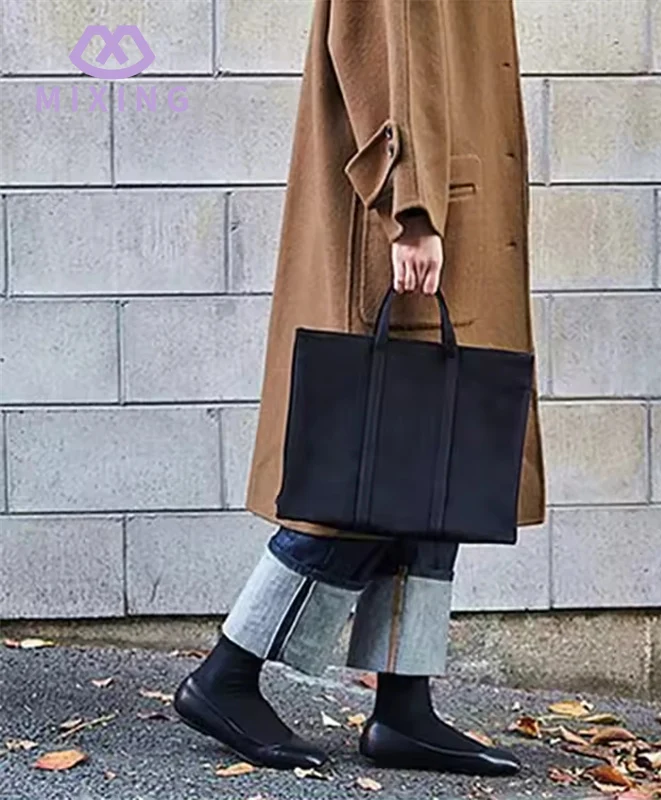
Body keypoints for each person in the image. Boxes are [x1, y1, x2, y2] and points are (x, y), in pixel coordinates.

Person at [173, 0, 546, 776]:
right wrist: (410, 208)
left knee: (433, 469)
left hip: (447, 209)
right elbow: (381, 45)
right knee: (366, 473)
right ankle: (227, 675)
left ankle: (404, 707)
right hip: (410, 221)